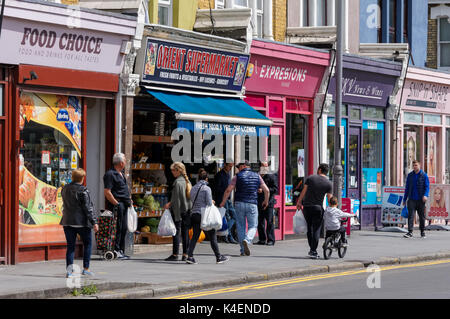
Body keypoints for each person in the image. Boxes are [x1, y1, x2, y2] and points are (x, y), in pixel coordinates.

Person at [220, 160, 269, 256]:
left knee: (240, 226)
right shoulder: (257, 176)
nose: (238, 169)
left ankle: (242, 250)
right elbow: (266, 190)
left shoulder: (237, 176)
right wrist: (266, 201)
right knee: (253, 226)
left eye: (239, 167)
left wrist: (223, 202)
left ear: (244, 166)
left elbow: (228, 190)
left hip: (239, 203)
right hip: (252, 204)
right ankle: (248, 239)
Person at [186, 169, 230, 264]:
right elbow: (209, 203)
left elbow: (192, 200)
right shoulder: (207, 188)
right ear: (206, 179)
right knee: (212, 236)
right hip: (205, 215)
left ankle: (189, 256)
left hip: (195, 214)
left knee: (195, 237)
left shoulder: (193, 188)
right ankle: (218, 257)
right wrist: (213, 201)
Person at [61, 168, 98, 277]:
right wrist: (94, 222)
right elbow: (88, 208)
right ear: (82, 178)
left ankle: (69, 271)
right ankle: (86, 268)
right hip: (82, 222)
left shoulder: (64, 189)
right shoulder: (83, 190)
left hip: (67, 221)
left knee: (70, 247)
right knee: (87, 244)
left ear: (73, 177)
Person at [296, 163, 333, 259]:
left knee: (310, 228)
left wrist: (299, 202)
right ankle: (313, 250)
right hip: (318, 208)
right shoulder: (329, 183)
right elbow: (330, 200)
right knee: (316, 229)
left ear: (319, 170)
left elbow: (303, 191)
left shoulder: (311, 178)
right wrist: (333, 209)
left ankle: (312, 249)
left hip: (307, 207)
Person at [104, 153, 132, 260]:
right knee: (118, 228)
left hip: (124, 204)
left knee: (123, 227)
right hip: (118, 204)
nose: (125, 163)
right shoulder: (110, 174)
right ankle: (116, 250)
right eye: (125, 161)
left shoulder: (121, 173)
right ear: (121, 163)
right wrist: (116, 203)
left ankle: (121, 250)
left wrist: (129, 199)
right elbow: (107, 192)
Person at [163, 162, 192, 261]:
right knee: (185, 232)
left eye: (173, 170)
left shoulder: (177, 183)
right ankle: (185, 254)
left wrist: (169, 204)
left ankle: (175, 254)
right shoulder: (187, 182)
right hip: (187, 209)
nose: (172, 172)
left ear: (178, 171)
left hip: (178, 210)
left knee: (176, 232)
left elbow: (175, 199)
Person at [403, 160, 430, 239]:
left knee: (422, 216)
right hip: (411, 199)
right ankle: (410, 232)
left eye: (416, 165)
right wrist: (404, 200)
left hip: (421, 200)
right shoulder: (410, 175)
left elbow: (427, 187)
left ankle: (422, 231)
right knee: (411, 215)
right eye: (414, 165)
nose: (415, 167)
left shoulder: (424, 175)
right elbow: (407, 188)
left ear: (419, 166)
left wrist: (425, 195)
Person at [214, 162, 238, 244]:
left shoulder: (227, 175)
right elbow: (217, 189)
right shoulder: (220, 175)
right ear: (225, 165)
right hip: (222, 199)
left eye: (232, 166)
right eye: (229, 166)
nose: (231, 168)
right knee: (227, 217)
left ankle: (226, 234)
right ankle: (228, 236)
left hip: (227, 199)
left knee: (235, 216)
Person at [256, 161, 279, 246]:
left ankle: (271, 240)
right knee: (260, 221)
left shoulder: (271, 176)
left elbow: (275, 189)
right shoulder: (257, 176)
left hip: (269, 202)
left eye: (266, 166)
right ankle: (262, 239)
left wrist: (264, 190)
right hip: (259, 201)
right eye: (263, 166)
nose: (265, 168)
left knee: (269, 221)